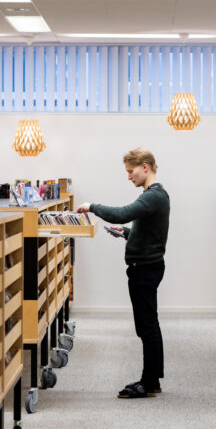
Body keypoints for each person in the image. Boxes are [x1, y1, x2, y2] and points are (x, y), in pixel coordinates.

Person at [77, 147, 170, 399]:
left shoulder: (153, 196)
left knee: (147, 326)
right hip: (147, 266)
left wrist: (92, 206)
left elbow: (122, 213)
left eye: (131, 171)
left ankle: (148, 382)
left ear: (145, 167)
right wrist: (127, 232)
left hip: (145, 269)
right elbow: (149, 233)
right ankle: (152, 379)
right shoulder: (154, 195)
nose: (129, 176)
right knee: (148, 324)